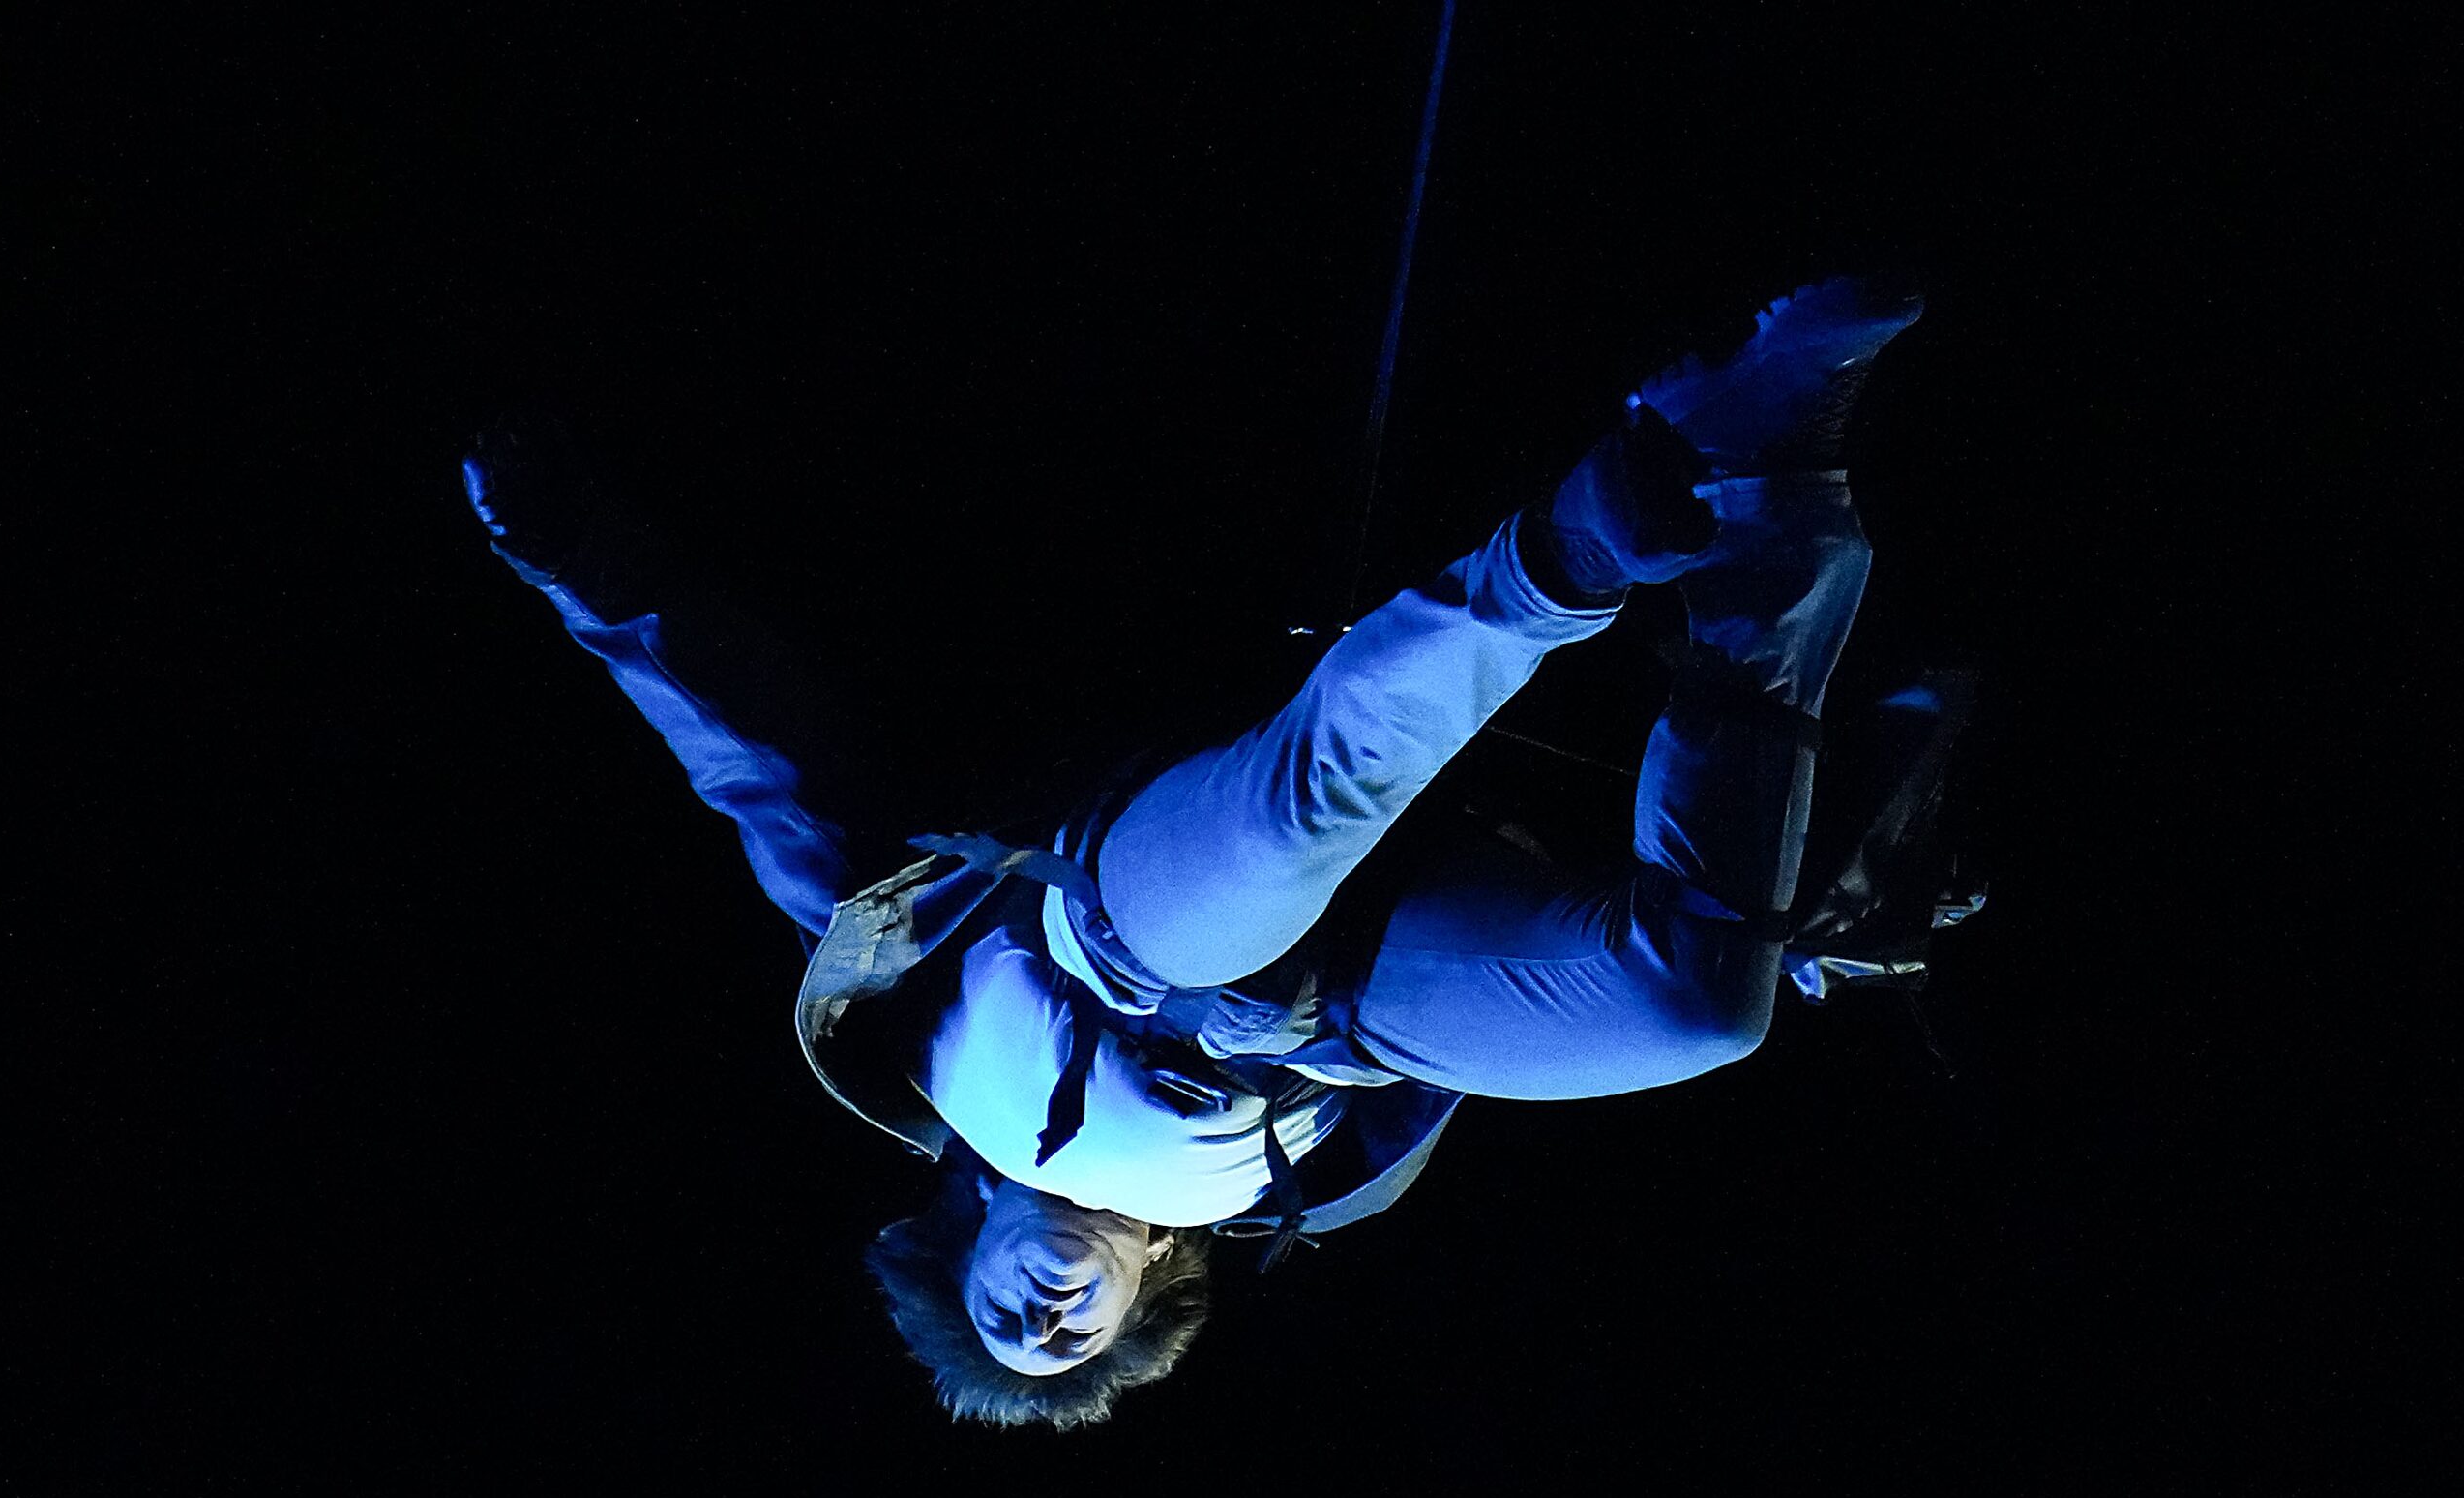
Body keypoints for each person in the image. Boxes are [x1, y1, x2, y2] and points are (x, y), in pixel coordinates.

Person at [462, 273, 1930, 1430]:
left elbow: (753, 760)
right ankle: (1769, 479)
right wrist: (1820, 895)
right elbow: (1449, 1054)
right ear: (1145, 1295)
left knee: (1244, 884)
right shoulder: (1312, 1191)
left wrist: (581, 556)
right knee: (1698, 1008)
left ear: (955, 1244)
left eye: (1001, 1321)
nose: (1041, 1321)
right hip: (1358, 998)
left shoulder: (905, 1038)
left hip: (1131, 904)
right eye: (1069, 1339)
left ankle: (1569, 548)